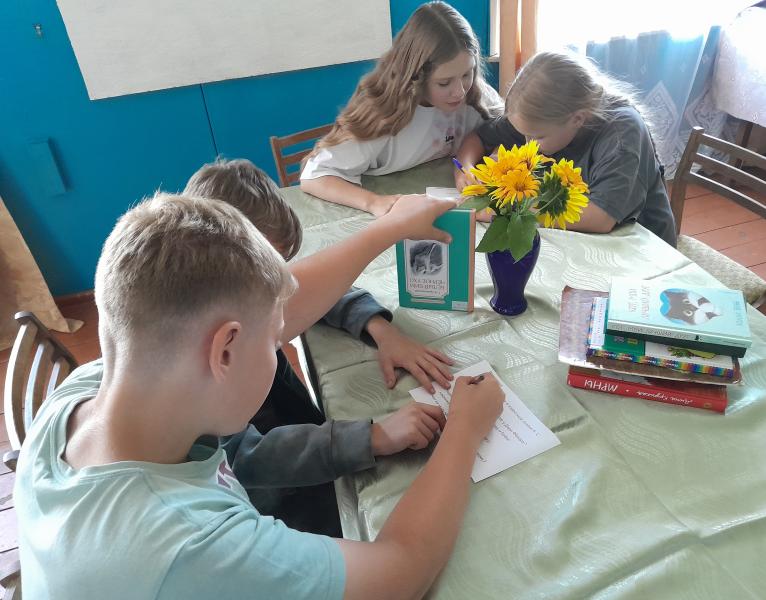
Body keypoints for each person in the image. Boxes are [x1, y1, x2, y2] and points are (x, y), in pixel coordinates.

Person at [15, 191, 504, 599]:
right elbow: (402, 572)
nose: (280, 342)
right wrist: (464, 428)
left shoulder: (97, 385)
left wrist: (389, 229)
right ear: (225, 351)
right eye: (275, 341)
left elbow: (287, 299)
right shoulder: (193, 547)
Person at [184, 158, 456, 535]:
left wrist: (380, 329)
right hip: (284, 505)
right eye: (266, 276)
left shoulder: (231, 294)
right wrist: (373, 437)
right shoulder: (199, 371)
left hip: (307, 439)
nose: (276, 289)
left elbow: (309, 288)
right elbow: (247, 457)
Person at [456, 51, 677, 247]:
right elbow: (478, 138)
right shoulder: (536, 118)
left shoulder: (622, 133)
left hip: (641, 249)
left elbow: (601, 217)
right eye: (524, 134)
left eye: (537, 137)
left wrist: (506, 210)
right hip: (582, 239)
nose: (528, 143)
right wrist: (465, 170)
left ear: (577, 119)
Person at [300, 1, 501, 216]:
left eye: (467, 74)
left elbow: (511, 130)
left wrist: (494, 161)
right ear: (415, 77)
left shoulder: (476, 94)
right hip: (380, 210)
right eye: (444, 83)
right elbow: (314, 176)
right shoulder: (382, 112)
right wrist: (373, 202)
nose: (460, 91)